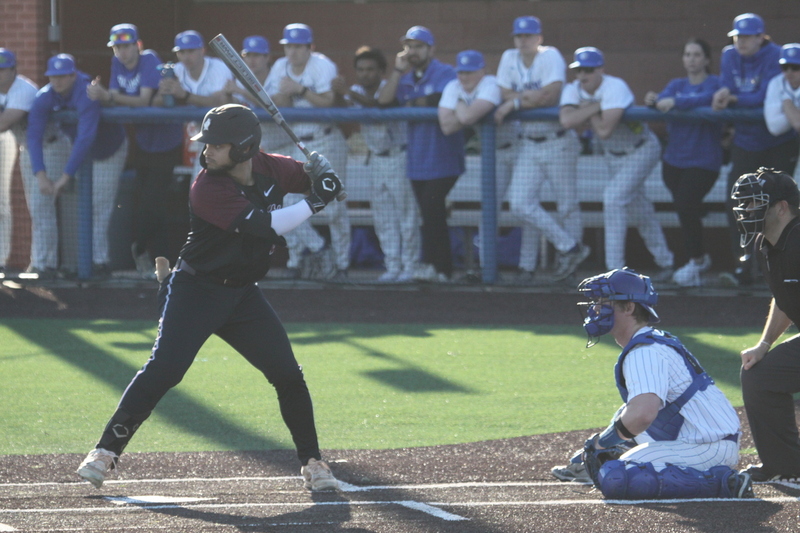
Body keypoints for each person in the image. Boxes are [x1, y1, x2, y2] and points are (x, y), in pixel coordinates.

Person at [76, 104, 342, 492]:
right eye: (207, 143)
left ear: (245, 148)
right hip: (196, 291)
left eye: (217, 145)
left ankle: (313, 462)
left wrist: (324, 172)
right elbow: (268, 227)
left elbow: (311, 179)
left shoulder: (275, 167)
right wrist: (319, 199)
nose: (207, 151)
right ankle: (104, 451)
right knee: (164, 370)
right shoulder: (207, 187)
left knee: (288, 374)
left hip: (243, 296)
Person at [558, 267, 752, 499]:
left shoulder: (645, 351)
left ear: (629, 307)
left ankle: (725, 483)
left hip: (705, 448)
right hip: (702, 438)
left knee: (618, 476)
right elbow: (635, 412)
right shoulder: (651, 341)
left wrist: (603, 443)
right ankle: (618, 453)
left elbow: (642, 415)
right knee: (626, 413)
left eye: (604, 301)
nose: (596, 308)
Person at [560, 47, 674, 276]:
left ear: (601, 70)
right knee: (640, 210)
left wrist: (588, 110)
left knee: (612, 198)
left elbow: (603, 131)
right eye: (579, 70)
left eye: (589, 70)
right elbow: (567, 120)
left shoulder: (615, 86)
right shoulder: (573, 89)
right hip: (613, 156)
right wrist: (596, 107)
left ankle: (614, 272)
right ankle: (666, 262)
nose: (583, 76)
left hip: (641, 149)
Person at [493, 16, 588, 282]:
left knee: (567, 206)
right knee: (520, 202)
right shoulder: (508, 57)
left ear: (539, 38)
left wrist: (514, 103)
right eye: (519, 36)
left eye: (528, 36)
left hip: (558, 141)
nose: (523, 41)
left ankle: (572, 270)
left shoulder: (551, 56)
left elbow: (552, 95)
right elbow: (502, 92)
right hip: (530, 144)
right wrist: (526, 99)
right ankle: (570, 247)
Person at [86, 23, 185, 279]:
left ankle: (144, 250)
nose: (122, 52)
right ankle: (155, 261)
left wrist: (109, 96)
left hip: (167, 141)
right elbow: (116, 100)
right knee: (145, 204)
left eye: (127, 46)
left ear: (137, 46)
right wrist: (104, 95)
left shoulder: (149, 58)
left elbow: (141, 100)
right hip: (143, 141)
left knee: (153, 204)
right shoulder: (116, 64)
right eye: (118, 47)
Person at [713, 13, 798, 287]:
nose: (742, 41)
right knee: (737, 203)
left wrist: (735, 98)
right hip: (745, 142)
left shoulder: (777, 56)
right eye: (738, 36)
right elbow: (725, 87)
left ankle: (784, 264)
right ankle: (744, 266)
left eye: (748, 36)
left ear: (761, 37)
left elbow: (766, 96)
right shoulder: (729, 56)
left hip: (778, 144)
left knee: (781, 207)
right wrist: (724, 96)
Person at [27, 53, 128, 278]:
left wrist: (65, 176)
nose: (57, 81)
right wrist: (40, 174)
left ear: (73, 75)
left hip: (108, 150)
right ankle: (63, 264)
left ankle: (99, 262)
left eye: (63, 76)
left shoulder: (86, 91)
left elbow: (86, 138)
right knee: (72, 206)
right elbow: (33, 136)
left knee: (98, 205)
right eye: (53, 76)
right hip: (80, 151)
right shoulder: (45, 96)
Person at [264, 23, 351, 281]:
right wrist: (286, 95)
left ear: (309, 47)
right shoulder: (280, 66)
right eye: (288, 46)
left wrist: (300, 90)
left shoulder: (322, 65)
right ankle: (313, 253)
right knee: (288, 202)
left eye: (298, 46)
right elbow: (273, 100)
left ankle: (342, 264)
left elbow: (328, 103)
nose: (293, 52)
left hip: (326, 139)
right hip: (297, 142)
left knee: (334, 207)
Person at [378, 26, 464, 282]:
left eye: (418, 46)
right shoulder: (404, 77)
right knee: (429, 214)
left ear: (430, 49)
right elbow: (384, 102)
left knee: (432, 210)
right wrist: (396, 71)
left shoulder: (444, 72)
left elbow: (439, 98)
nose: (412, 51)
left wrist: (412, 103)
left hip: (444, 158)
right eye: (409, 46)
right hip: (417, 160)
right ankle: (435, 268)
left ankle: (442, 268)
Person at [730, 167, 800, 482]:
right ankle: (787, 466)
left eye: (754, 204)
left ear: (782, 207)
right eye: (743, 204)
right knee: (759, 375)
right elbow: (786, 298)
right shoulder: (764, 243)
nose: (745, 211)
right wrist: (764, 344)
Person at [333, 46, 421, 282]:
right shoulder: (355, 90)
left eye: (371, 69)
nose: (365, 74)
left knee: (406, 216)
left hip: (399, 156)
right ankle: (392, 265)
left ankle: (410, 266)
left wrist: (348, 94)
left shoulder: (390, 87)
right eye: (360, 70)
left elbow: (378, 106)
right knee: (383, 216)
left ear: (382, 71)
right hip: (375, 160)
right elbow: (343, 114)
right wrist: (339, 94)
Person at [644, 39, 723, 287]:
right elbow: (662, 100)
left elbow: (710, 99)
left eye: (697, 54)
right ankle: (696, 260)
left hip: (703, 161)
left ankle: (697, 261)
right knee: (685, 208)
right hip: (673, 162)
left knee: (686, 205)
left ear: (707, 59)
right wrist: (654, 99)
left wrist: (677, 102)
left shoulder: (717, 84)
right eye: (687, 54)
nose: (691, 59)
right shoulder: (676, 85)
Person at [158, 30, 235, 181]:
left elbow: (221, 104)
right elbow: (158, 102)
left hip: (228, 134)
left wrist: (185, 95)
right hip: (205, 136)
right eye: (182, 52)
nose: (186, 56)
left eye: (191, 51)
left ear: (202, 50)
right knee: (201, 185)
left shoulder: (218, 68)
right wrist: (164, 93)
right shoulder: (178, 70)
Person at [0, 48, 38, 276]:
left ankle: (2, 260)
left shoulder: (23, 88)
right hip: (22, 142)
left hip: (42, 146)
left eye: (3, 69)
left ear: (14, 70)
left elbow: (3, 123)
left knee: (4, 202)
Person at [764, 43, 800, 183]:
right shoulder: (776, 83)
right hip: (785, 147)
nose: (789, 72)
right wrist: (793, 107)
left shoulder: (782, 89)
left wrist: (786, 102)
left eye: (796, 67)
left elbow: (797, 124)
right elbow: (774, 127)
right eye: (785, 68)